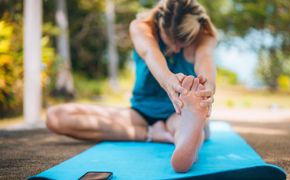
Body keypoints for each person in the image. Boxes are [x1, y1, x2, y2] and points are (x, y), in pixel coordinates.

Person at [46, 0, 217, 173]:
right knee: (56, 116)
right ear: (159, 23)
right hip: (141, 112)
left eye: (183, 43)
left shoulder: (204, 36)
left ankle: (192, 133)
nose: (176, 48)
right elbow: (151, 53)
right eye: (170, 40)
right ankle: (151, 133)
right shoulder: (141, 27)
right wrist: (170, 82)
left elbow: (205, 59)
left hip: (178, 111)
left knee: (184, 128)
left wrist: (206, 90)